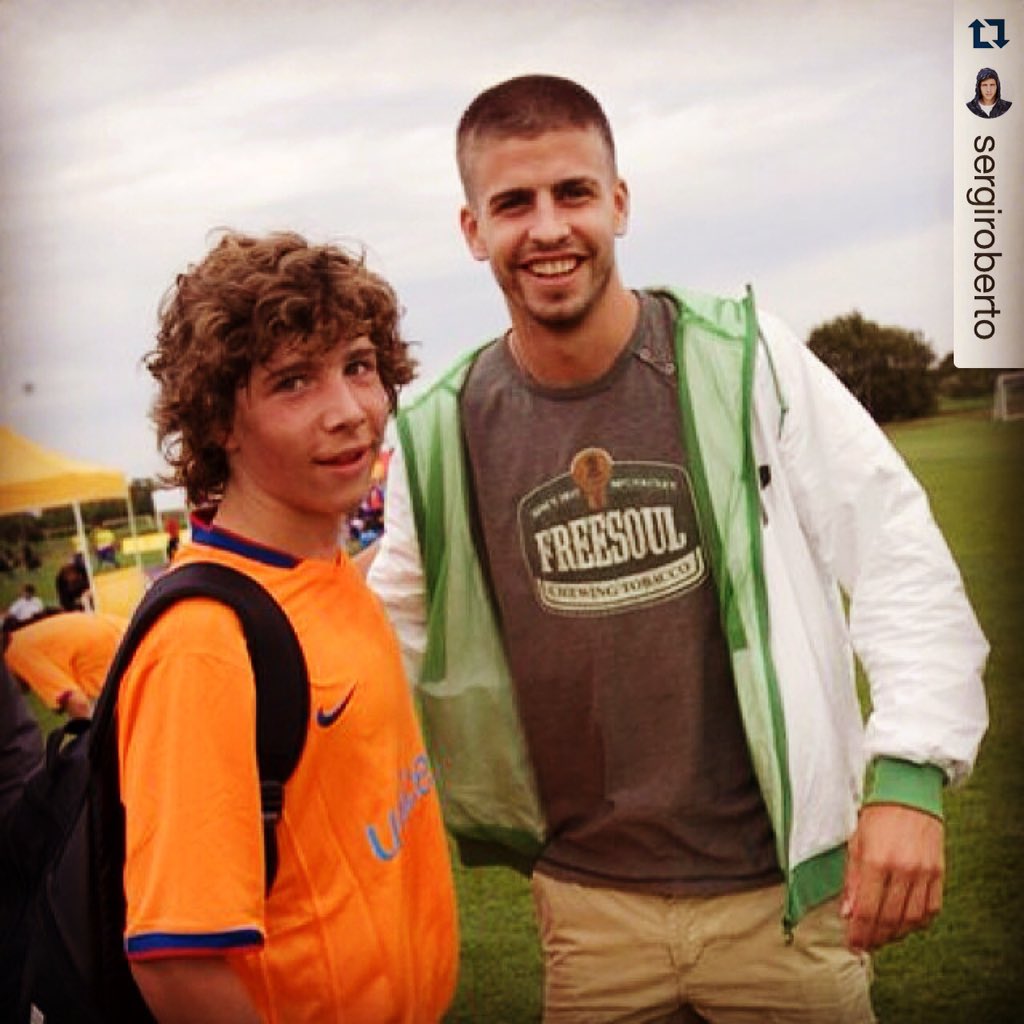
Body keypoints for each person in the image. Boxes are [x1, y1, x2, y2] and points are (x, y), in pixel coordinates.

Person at [367, 74, 989, 1023]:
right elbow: (389, 637)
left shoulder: (745, 356)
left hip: (776, 898)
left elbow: (895, 546)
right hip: (587, 909)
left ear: (619, 201)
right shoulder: (439, 425)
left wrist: (909, 770)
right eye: (513, 203)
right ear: (471, 228)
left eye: (573, 192)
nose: (547, 227)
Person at [124, 229, 457, 1023]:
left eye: (359, 366)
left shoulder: (332, 575)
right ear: (218, 423)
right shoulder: (205, 643)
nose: (349, 412)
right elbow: (181, 967)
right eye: (293, 382)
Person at [4, 610, 126, 719]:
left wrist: (87, 742)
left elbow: (78, 704)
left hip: (125, 662)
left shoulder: (18, 657)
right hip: (126, 638)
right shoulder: (22, 641)